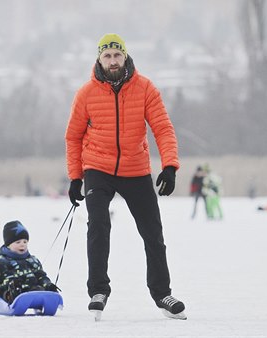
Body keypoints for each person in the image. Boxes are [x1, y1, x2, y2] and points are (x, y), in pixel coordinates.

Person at [65, 33, 186, 319]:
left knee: (152, 233)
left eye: (117, 55)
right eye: (107, 55)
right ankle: (98, 290)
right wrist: (75, 177)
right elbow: (73, 137)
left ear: (125, 56)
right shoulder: (86, 93)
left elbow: (163, 129)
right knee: (98, 225)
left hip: (135, 169)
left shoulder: (144, 88)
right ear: (99, 59)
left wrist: (169, 166)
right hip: (98, 168)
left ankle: (162, 294)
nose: (113, 60)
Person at [0, 221, 59, 304]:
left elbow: (41, 276)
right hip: (9, 290)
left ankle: (44, 299)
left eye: (25, 242)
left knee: (38, 289)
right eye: (18, 242)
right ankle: (11, 296)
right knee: (10, 287)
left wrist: (48, 285)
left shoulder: (32, 260)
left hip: (31, 289)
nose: (22, 245)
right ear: (8, 244)